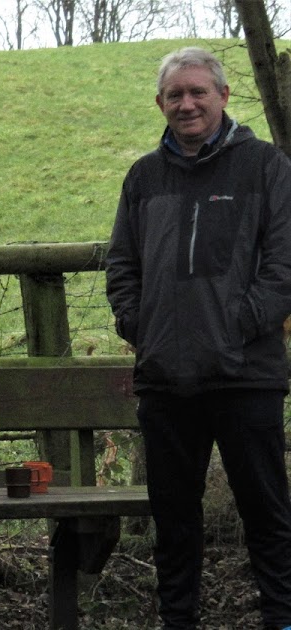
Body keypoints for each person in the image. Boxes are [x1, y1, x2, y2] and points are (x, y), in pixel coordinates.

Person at [106, 47, 291, 630]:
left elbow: (285, 264)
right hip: (165, 379)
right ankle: (177, 619)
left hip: (246, 374)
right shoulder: (143, 177)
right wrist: (140, 325)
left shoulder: (265, 167)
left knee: (266, 511)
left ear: (223, 96)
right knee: (174, 518)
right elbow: (122, 264)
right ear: (160, 103)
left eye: (197, 92)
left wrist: (237, 324)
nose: (186, 104)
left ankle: (282, 615)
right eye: (174, 95)